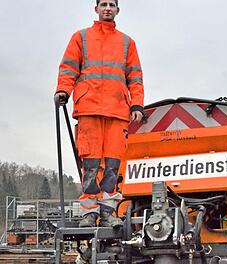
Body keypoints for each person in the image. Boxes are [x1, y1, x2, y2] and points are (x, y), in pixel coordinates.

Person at [55, 0, 144, 228]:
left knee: (113, 166)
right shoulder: (81, 37)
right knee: (91, 164)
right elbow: (68, 68)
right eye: (103, 4)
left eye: (111, 4)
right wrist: (63, 91)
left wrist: (137, 105)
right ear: (96, 9)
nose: (107, 8)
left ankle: (108, 213)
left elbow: (135, 77)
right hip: (89, 109)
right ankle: (89, 213)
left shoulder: (127, 42)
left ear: (117, 10)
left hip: (117, 111)